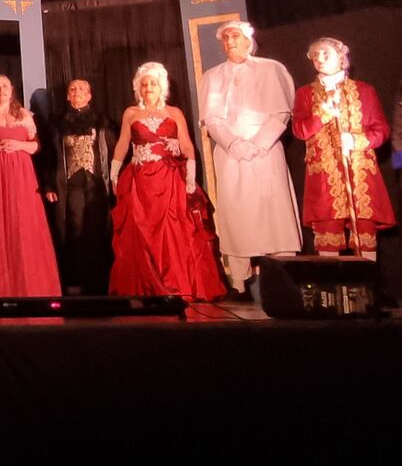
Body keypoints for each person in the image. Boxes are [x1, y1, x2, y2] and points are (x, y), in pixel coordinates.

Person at [197, 20, 301, 300]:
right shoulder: (212, 76)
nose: (229, 41)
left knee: (274, 212)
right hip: (231, 153)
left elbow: (281, 113)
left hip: (265, 151)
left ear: (248, 39)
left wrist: (258, 144)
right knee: (235, 214)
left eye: (235, 35)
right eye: (225, 38)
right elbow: (212, 119)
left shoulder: (271, 69)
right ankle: (239, 283)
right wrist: (234, 143)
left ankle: (283, 277)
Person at [108, 62, 226, 300]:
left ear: (161, 86)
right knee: (140, 231)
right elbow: (122, 144)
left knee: (175, 230)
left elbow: (186, 145)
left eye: (153, 83)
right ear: (138, 88)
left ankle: (178, 284)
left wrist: (191, 176)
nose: (148, 88)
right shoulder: (131, 113)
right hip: (140, 183)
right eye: (144, 84)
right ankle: (146, 287)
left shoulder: (174, 113)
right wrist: (114, 172)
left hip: (170, 179)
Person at [291, 38, 395, 259]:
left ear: (340, 57)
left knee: (364, 237)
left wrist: (356, 141)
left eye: (325, 54)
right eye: (315, 56)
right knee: (328, 238)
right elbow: (299, 130)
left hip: (360, 176)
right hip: (323, 178)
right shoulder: (305, 93)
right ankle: (331, 282)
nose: (319, 59)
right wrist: (322, 115)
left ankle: (365, 280)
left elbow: (382, 130)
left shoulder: (364, 90)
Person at [0, 76, 60, 297]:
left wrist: (19, 145)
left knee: (22, 224)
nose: (1, 90)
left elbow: (36, 146)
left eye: (5, 86)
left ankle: (27, 286)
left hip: (21, 177)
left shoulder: (23, 115)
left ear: (12, 90)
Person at [42, 78, 116, 295]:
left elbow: (113, 151)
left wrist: (115, 179)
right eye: (72, 89)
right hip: (71, 185)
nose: (77, 92)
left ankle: (99, 281)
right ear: (67, 96)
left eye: (81, 89)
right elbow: (50, 156)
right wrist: (49, 184)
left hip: (97, 184)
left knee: (96, 229)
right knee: (74, 227)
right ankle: (76, 279)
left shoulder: (102, 121)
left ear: (89, 95)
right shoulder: (57, 124)